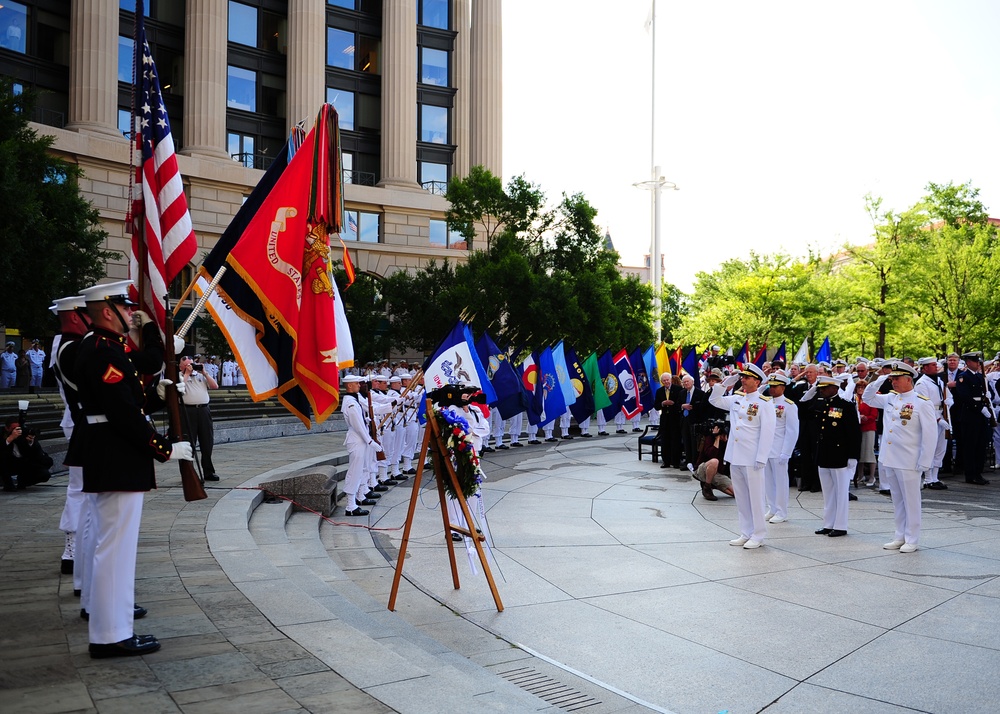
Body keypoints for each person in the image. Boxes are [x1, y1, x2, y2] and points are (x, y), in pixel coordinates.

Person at [73, 280, 191, 658]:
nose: (130, 314)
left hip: (112, 454)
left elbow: (129, 402)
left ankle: (113, 626)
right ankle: (110, 635)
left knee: (111, 544)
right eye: (124, 309)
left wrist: (158, 396)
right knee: (116, 549)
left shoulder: (103, 348)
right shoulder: (105, 351)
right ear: (107, 311)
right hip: (116, 455)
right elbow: (122, 414)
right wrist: (165, 449)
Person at [861, 361, 937, 552]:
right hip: (889, 458)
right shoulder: (890, 398)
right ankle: (899, 535)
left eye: (897, 378)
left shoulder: (922, 402)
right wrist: (880, 379)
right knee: (897, 500)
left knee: (911, 501)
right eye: (892, 378)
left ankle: (912, 538)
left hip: (909, 459)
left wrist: (925, 461)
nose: (893, 382)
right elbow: (867, 398)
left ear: (908, 379)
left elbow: (930, 434)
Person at [708, 363, 775, 549]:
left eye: (747, 377)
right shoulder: (737, 398)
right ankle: (746, 532)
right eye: (742, 377)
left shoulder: (764, 403)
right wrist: (723, 385)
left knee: (756, 497)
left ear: (757, 381)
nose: (743, 380)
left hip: (752, 457)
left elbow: (767, 432)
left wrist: (762, 457)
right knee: (742, 497)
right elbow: (714, 401)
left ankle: (758, 535)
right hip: (735, 455)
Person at [800, 375, 861, 538]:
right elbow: (803, 407)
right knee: (828, 492)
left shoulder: (846, 406)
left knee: (841, 492)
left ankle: (840, 525)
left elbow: (854, 433)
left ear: (835, 388)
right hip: (824, 454)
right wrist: (813, 389)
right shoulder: (821, 404)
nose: (822, 390)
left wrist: (853, 457)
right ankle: (828, 524)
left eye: (824, 388)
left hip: (840, 455)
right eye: (820, 388)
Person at [340, 375, 382, 516]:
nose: (359, 385)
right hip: (357, 440)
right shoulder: (350, 402)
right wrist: (371, 441)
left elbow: (361, 421)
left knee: (360, 471)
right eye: (357, 383)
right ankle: (350, 506)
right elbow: (358, 426)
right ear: (350, 386)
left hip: (360, 440)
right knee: (355, 472)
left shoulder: (354, 399)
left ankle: (357, 498)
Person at [951, 351, 992, 485]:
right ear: (969, 362)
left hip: (981, 414)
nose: (978, 364)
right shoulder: (963, 377)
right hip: (970, 414)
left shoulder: (981, 377)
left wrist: (988, 395)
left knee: (981, 444)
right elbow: (965, 396)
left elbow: (985, 392)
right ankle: (970, 474)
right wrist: (980, 407)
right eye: (976, 362)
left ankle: (978, 473)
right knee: (970, 445)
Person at [763, 373, 799, 524]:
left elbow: (792, 430)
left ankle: (781, 511)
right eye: (770, 386)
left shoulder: (789, 405)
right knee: (768, 481)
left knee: (781, 481)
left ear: (783, 388)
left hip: (779, 449)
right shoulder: (766, 403)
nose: (772, 389)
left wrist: (787, 451)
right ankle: (772, 508)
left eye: (775, 386)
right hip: (765, 449)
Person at [180, 354, 219, 482]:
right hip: (188, 411)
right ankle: (188, 473)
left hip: (203, 410)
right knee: (188, 444)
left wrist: (205, 372)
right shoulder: (179, 377)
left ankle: (208, 471)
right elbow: (179, 390)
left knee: (207, 442)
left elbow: (215, 387)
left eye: (191, 364)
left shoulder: (201, 376)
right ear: (181, 366)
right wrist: (186, 374)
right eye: (186, 365)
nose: (190, 367)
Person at [914, 356, 950, 490]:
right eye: (933, 365)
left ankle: (935, 477)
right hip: (930, 418)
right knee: (930, 448)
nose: (936, 367)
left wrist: (949, 402)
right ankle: (928, 479)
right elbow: (924, 404)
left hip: (942, 414)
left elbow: (947, 396)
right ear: (925, 368)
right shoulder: (921, 384)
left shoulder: (939, 381)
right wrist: (938, 419)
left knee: (941, 449)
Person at [2, 417, 53, 491]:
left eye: (18, 428)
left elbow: (37, 454)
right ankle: (8, 484)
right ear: (7, 428)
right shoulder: (2, 435)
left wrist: (31, 442)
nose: (16, 431)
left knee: (44, 474)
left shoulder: (24, 434)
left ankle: (22, 482)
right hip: (8, 464)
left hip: (24, 463)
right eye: (13, 429)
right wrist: (10, 438)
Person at [688, 419, 735, 500]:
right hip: (703, 469)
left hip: (717, 473)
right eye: (724, 435)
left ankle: (713, 484)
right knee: (714, 461)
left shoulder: (725, 443)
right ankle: (707, 487)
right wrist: (716, 438)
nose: (726, 438)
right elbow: (711, 455)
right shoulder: (709, 438)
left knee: (736, 494)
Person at [654, 373, 681, 469]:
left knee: (675, 440)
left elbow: (680, 403)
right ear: (662, 382)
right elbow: (656, 406)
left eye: (667, 380)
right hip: (665, 419)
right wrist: (663, 403)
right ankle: (666, 461)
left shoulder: (678, 389)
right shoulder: (659, 391)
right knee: (665, 440)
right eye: (664, 380)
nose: (666, 382)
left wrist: (673, 404)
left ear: (671, 380)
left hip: (675, 419)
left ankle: (676, 461)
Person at [856, 381, 878, 487]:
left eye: (862, 387)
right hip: (859, 428)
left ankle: (872, 476)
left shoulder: (869, 400)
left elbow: (874, 415)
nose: (860, 389)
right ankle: (860, 475)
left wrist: (865, 418)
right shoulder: (855, 400)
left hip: (868, 427)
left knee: (869, 452)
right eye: (858, 387)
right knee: (860, 453)